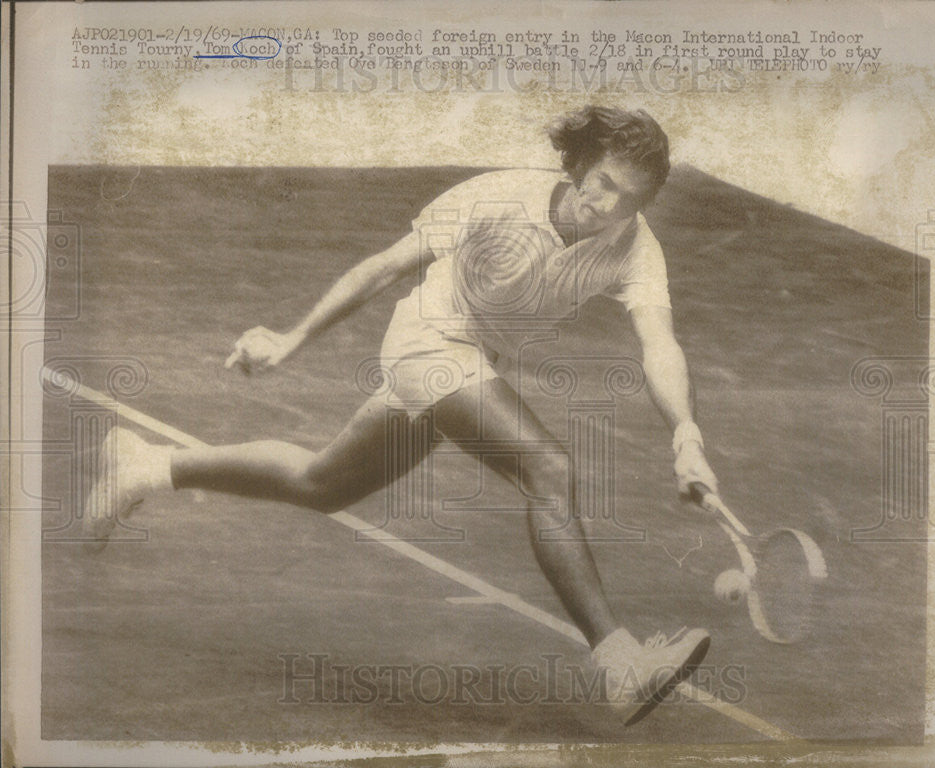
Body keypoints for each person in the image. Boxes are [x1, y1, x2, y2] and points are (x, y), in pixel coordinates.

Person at [84, 105, 720, 727]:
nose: (608, 205)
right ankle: (619, 663)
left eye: (630, 198)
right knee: (548, 471)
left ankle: (147, 465)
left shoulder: (635, 247)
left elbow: (659, 343)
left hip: (475, 359)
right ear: (580, 165)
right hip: (428, 343)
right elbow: (383, 267)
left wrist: (686, 435)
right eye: (603, 182)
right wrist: (289, 339)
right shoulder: (500, 197)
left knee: (323, 484)